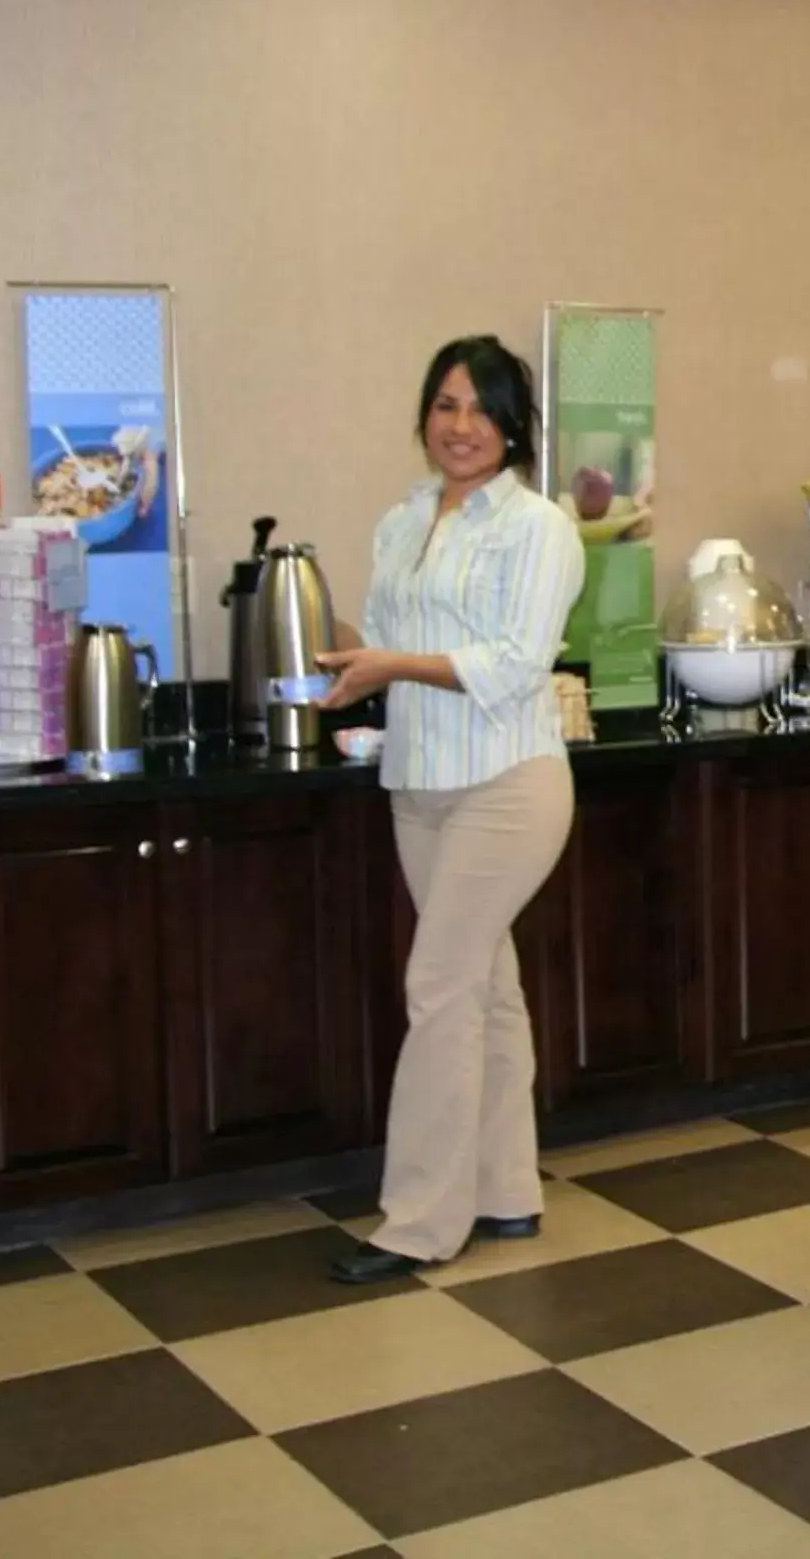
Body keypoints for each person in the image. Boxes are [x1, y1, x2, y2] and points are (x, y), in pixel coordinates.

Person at [317, 335, 583, 1281]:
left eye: (482, 409)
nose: (461, 426)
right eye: (445, 405)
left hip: (508, 782)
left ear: (514, 427)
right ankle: (507, 1189)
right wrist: (337, 653)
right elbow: (388, 643)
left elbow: (513, 669)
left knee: (437, 988)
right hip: (418, 783)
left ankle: (421, 1222)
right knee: (483, 987)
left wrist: (389, 666)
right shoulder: (402, 520)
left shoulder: (540, 527)